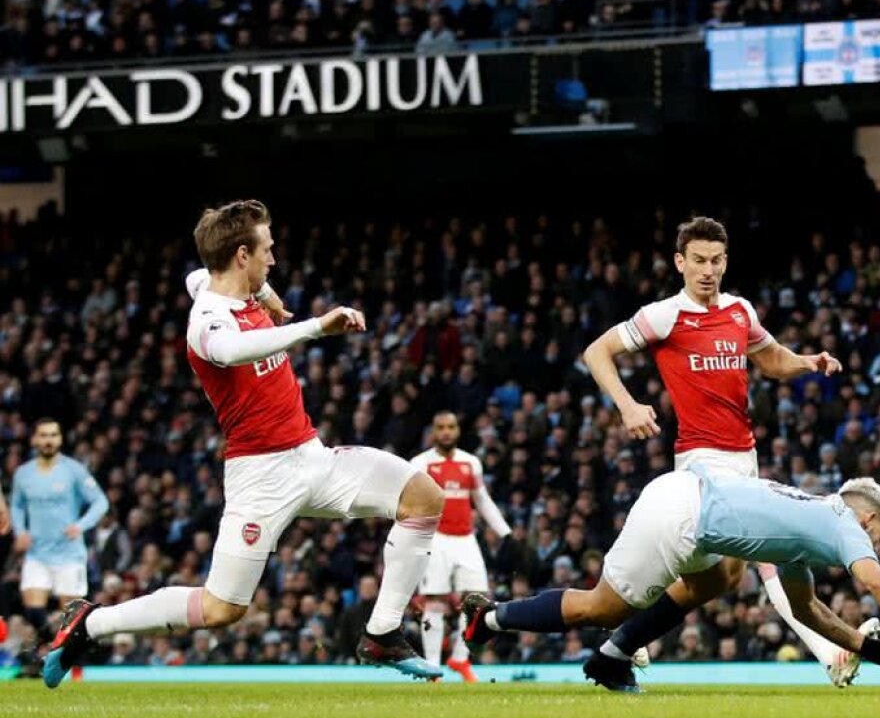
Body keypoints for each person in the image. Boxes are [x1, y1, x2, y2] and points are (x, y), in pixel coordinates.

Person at [41, 200, 445, 688]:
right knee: (221, 609)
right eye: (267, 251)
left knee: (423, 497)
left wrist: (269, 296)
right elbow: (231, 350)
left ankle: (382, 634)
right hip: (261, 476)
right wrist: (317, 326)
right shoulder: (207, 320)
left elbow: (198, 273)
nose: (272, 259)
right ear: (241, 256)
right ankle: (91, 624)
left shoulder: (221, 282)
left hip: (312, 456)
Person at [581, 216, 867, 691]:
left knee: (720, 576)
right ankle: (830, 652)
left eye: (715, 260)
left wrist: (807, 362)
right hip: (701, 459)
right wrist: (628, 406)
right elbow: (597, 352)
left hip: (743, 453)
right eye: (698, 260)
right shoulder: (664, 315)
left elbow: (772, 360)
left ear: (725, 261)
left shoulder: (739, 311)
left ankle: (623, 636)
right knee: (769, 545)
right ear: (680, 262)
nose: (707, 269)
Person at [462, 470, 880, 690]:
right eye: (878, 534)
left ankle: (613, 659)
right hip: (683, 517)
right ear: (869, 520)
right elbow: (878, 581)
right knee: (602, 607)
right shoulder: (845, 524)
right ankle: (489, 618)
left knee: (716, 581)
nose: (874, 543)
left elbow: (806, 610)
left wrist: (868, 648)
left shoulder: (809, 526)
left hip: (690, 503)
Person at [412, 411, 512, 682]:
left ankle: (459, 659)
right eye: (441, 427)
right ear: (433, 432)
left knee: (478, 601)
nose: (446, 431)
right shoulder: (420, 464)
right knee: (435, 601)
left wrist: (505, 532)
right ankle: (432, 668)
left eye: (451, 427)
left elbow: (482, 500)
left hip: (466, 538)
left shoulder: (471, 463)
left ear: (457, 430)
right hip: (436, 538)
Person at [9, 419, 108, 643]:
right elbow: (16, 505)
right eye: (43, 435)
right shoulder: (23, 474)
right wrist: (20, 531)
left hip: (69, 555)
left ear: (60, 439)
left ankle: (75, 664)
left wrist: (80, 526)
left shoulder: (73, 470)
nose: (48, 441)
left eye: (53, 435)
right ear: (34, 439)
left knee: (72, 619)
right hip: (37, 553)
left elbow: (100, 502)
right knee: (34, 612)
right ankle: (50, 652)